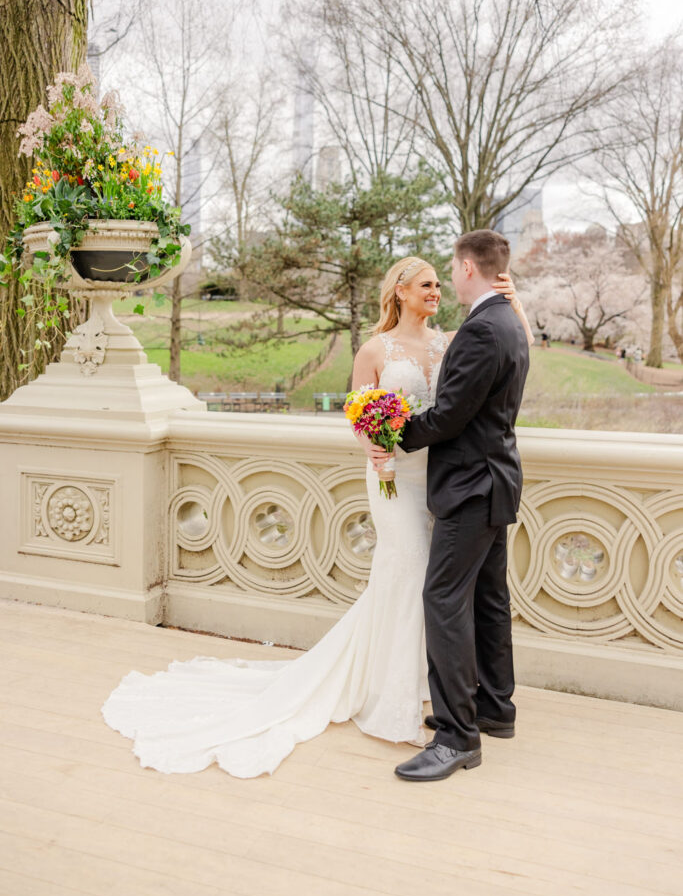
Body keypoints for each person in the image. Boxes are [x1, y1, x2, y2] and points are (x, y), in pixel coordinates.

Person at [101, 251, 533, 779]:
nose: (436, 292)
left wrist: (515, 306)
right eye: (425, 284)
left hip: (443, 478)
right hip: (399, 478)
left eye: (439, 284)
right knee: (412, 577)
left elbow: (493, 369)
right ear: (399, 291)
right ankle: (402, 696)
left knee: (441, 591)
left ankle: (438, 698)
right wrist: (378, 443)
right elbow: (360, 412)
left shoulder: (454, 339)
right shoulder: (376, 349)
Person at [368, 231, 530, 782]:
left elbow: (450, 415)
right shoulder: (508, 321)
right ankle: (495, 708)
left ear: (466, 268)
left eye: (449, 272)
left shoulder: (482, 328)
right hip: (496, 479)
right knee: (488, 597)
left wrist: (393, 435)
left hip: (470, 486)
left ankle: (457, 737)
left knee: (443, 598)